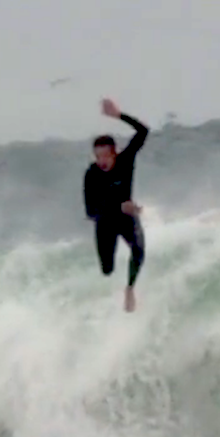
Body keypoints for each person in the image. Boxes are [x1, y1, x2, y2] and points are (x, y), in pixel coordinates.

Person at [84, 98, 150, 312]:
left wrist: (118, 115)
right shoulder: (92, 174)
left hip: (126, 217)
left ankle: (130, 289)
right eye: (97, 156)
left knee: (139, 251)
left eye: (106, 155)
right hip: (105, 223)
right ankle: (107, 287)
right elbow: (91, 211)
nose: (102, 160)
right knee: (107, 270)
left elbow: (143, 131)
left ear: (115, 152)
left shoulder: (125, 160)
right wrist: (117, 207)